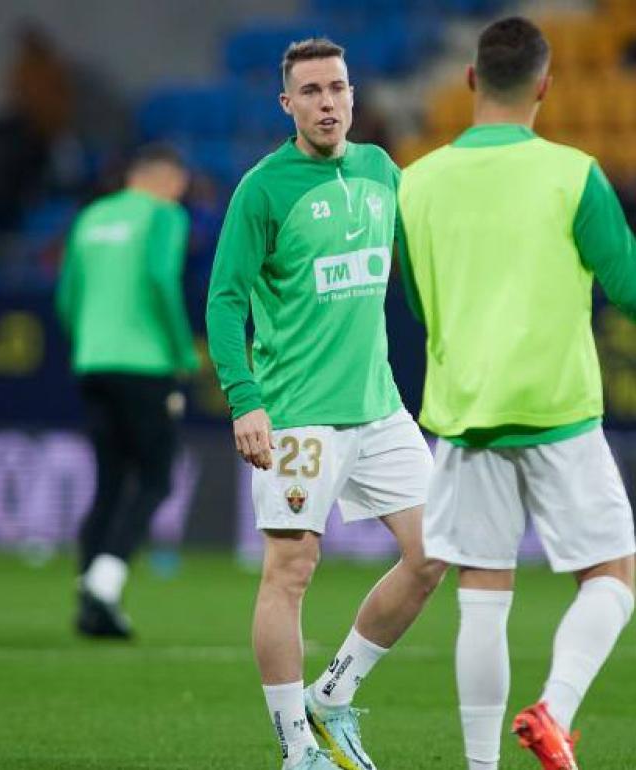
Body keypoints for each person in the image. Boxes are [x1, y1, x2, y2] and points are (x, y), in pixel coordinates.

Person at [397, 17, 636, 770]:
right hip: (557, 410)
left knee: (481, 599)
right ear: (545, 86)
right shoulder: (572, 173)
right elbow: (635, 289)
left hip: (465, 412)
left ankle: (480, 767)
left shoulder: (417, 181)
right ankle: (553, 711)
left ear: (469, 82)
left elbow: (420, 302)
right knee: (613, 577)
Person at [206, 39, 447, 770]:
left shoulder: (381, 170)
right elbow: (224, 301)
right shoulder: (263, 188)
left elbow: (422, 267)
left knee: (435, 551)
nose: (327, 102)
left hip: (378, 407)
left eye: (337, 88)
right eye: (309, 91)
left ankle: (333, 696)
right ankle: (294, 749)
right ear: (288, 105)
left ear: (353, 93)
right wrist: (244, 399)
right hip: (298, 413)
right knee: (290, 571)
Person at [55, 144, 199, 639]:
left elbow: (67, 295)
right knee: (157, 475)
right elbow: (161, 278)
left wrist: (87, 342)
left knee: (111, 480)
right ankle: (106, 579)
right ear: (165, 178)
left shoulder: (91, 216)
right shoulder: (163, 215)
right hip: (144, 363)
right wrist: (182, 350)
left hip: (92, 361)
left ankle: (91, 600)